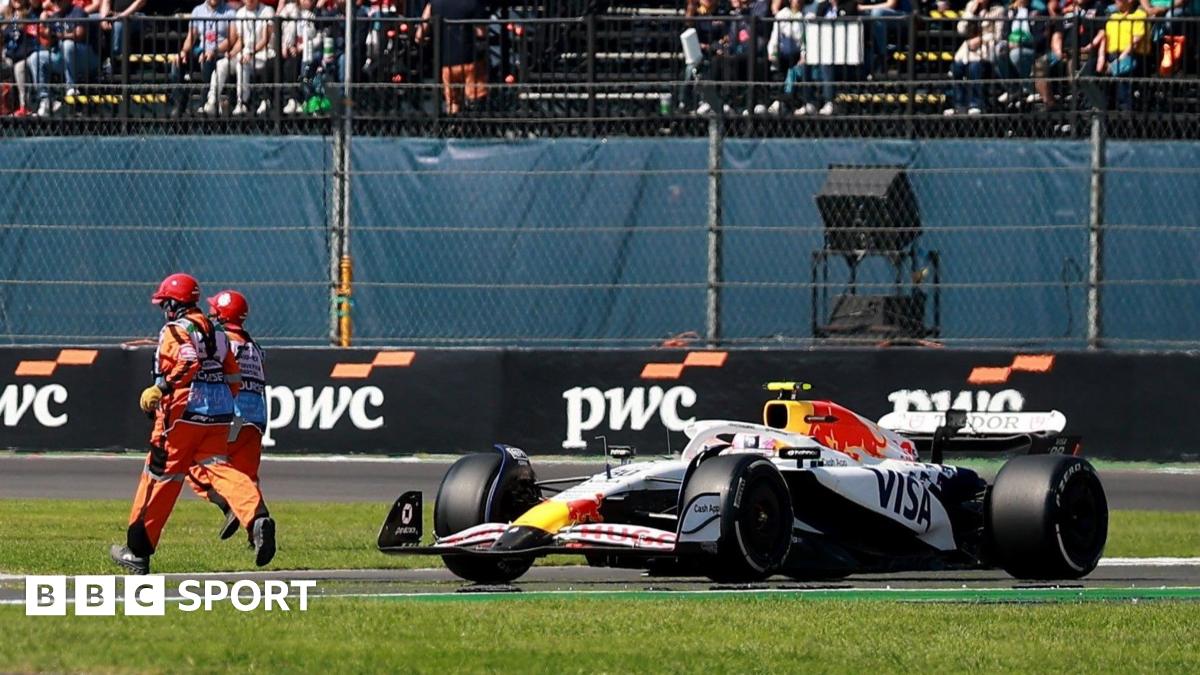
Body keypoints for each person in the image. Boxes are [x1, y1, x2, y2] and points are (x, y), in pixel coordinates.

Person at [109, 273, 275, 575]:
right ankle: (256, 516)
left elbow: (188, 362)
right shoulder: (219, 333)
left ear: (174, 304)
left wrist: (161, 390)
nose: (163, 310)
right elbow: (234, 376)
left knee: (158, 478)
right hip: (219, 414)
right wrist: (222, 402)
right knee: (219, 468)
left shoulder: (175, 330)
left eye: (164, 304)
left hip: (182, 416)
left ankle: (137, 551)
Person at [187, 290, 269, 541]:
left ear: (223, 314)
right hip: (256, 420)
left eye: (214, 309)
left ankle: (227, 505)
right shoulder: (254, 345)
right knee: (246, 479)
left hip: (231, 414)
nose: (210, 312)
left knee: (194, 464)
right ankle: (258, 529)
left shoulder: (222, 340)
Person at [416, 0, 487, 115]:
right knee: (475, 97)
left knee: (453, 102)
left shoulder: (434, 4)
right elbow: (481, 32)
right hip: (470, 59)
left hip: (447, 62)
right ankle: (475, 126)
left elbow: (420, 34)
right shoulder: (472, 3)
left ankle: (454, 126)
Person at [166, 0, 234, 117]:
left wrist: (214, 51)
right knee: (177, 63)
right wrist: (183, 52)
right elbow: (191, 37)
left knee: (207, 61)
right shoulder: (198, 11)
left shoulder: (230, 12)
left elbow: (231, 39)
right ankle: (179, 104)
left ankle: (204, 104)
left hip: (219, 53)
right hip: (201, 51)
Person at [30, 0, 99, 116]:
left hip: (86, 58)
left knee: (68, 44)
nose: (57, 2)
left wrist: (59, 36)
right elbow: (49, 42)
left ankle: (71, 87)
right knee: (35, 57)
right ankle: (45, 100)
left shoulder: (78, 11)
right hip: (65, 60)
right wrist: (43, 26)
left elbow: (79, 34)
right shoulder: (55, 17)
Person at [946, 0, 1007, 114]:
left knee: (975, 67)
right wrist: (971, 14)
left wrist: (981, 39)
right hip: (968, 49)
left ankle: (976, 103)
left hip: (987, 48)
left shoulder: (999, 10)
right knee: (956, 68)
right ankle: (959, 104)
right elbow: (961, 29)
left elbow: (999, 35)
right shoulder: (971, 5)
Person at [1093, 0, 1149, 110]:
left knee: (1123, 84)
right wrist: (1102, 56)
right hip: (1111, 55)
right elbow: (1105, 36)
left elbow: (1135, 41)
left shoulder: (1139, 15)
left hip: (1130, 55)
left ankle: (1125, 117)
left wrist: (1119, 61)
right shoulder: (1112, 15)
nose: (1115, 1)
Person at [231, 0, 275, 115]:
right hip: (247, 55)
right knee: (226, 63)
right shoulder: (240, 13)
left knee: (243, 62)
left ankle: (256, 101)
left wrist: (251, 53)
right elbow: (240, 40)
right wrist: (231, 53)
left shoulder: (267, 11)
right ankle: (240, 102)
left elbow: (265, 40)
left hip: (265, 54)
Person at [2, 0, 37, 116]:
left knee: (19, 68)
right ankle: (5, 105)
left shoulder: (30, 14)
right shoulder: (6, 16)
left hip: (25, 54)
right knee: (4, 66)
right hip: (9, 55)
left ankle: (24, 106)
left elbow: (33, 38)